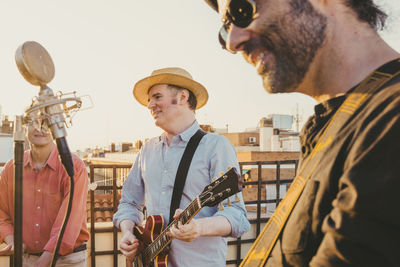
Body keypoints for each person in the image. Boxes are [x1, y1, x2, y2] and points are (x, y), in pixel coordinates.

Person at [203, 0, 400, 266]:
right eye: (225, 29)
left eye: (242, 9)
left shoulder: (390, 121)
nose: (232, 42)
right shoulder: (338, 124)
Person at [113, 67, 250, 266]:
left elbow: (237, 216)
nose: (150, 105)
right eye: (149, 100)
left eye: (157, 97)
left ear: (183, 97)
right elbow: (129, 203)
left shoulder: (216, 146)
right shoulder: (147, 150)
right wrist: (127, 231)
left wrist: (199, 228)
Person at [0, 122, 89, 267]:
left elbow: (70, 221)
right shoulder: (11, 168)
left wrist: (43, 261)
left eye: (45, 123)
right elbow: (1, 212)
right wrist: (12, 241)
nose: (39, 128)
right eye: (32, 122)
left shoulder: (75, 167)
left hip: (68, 261)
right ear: (23, 126)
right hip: (27, 259)